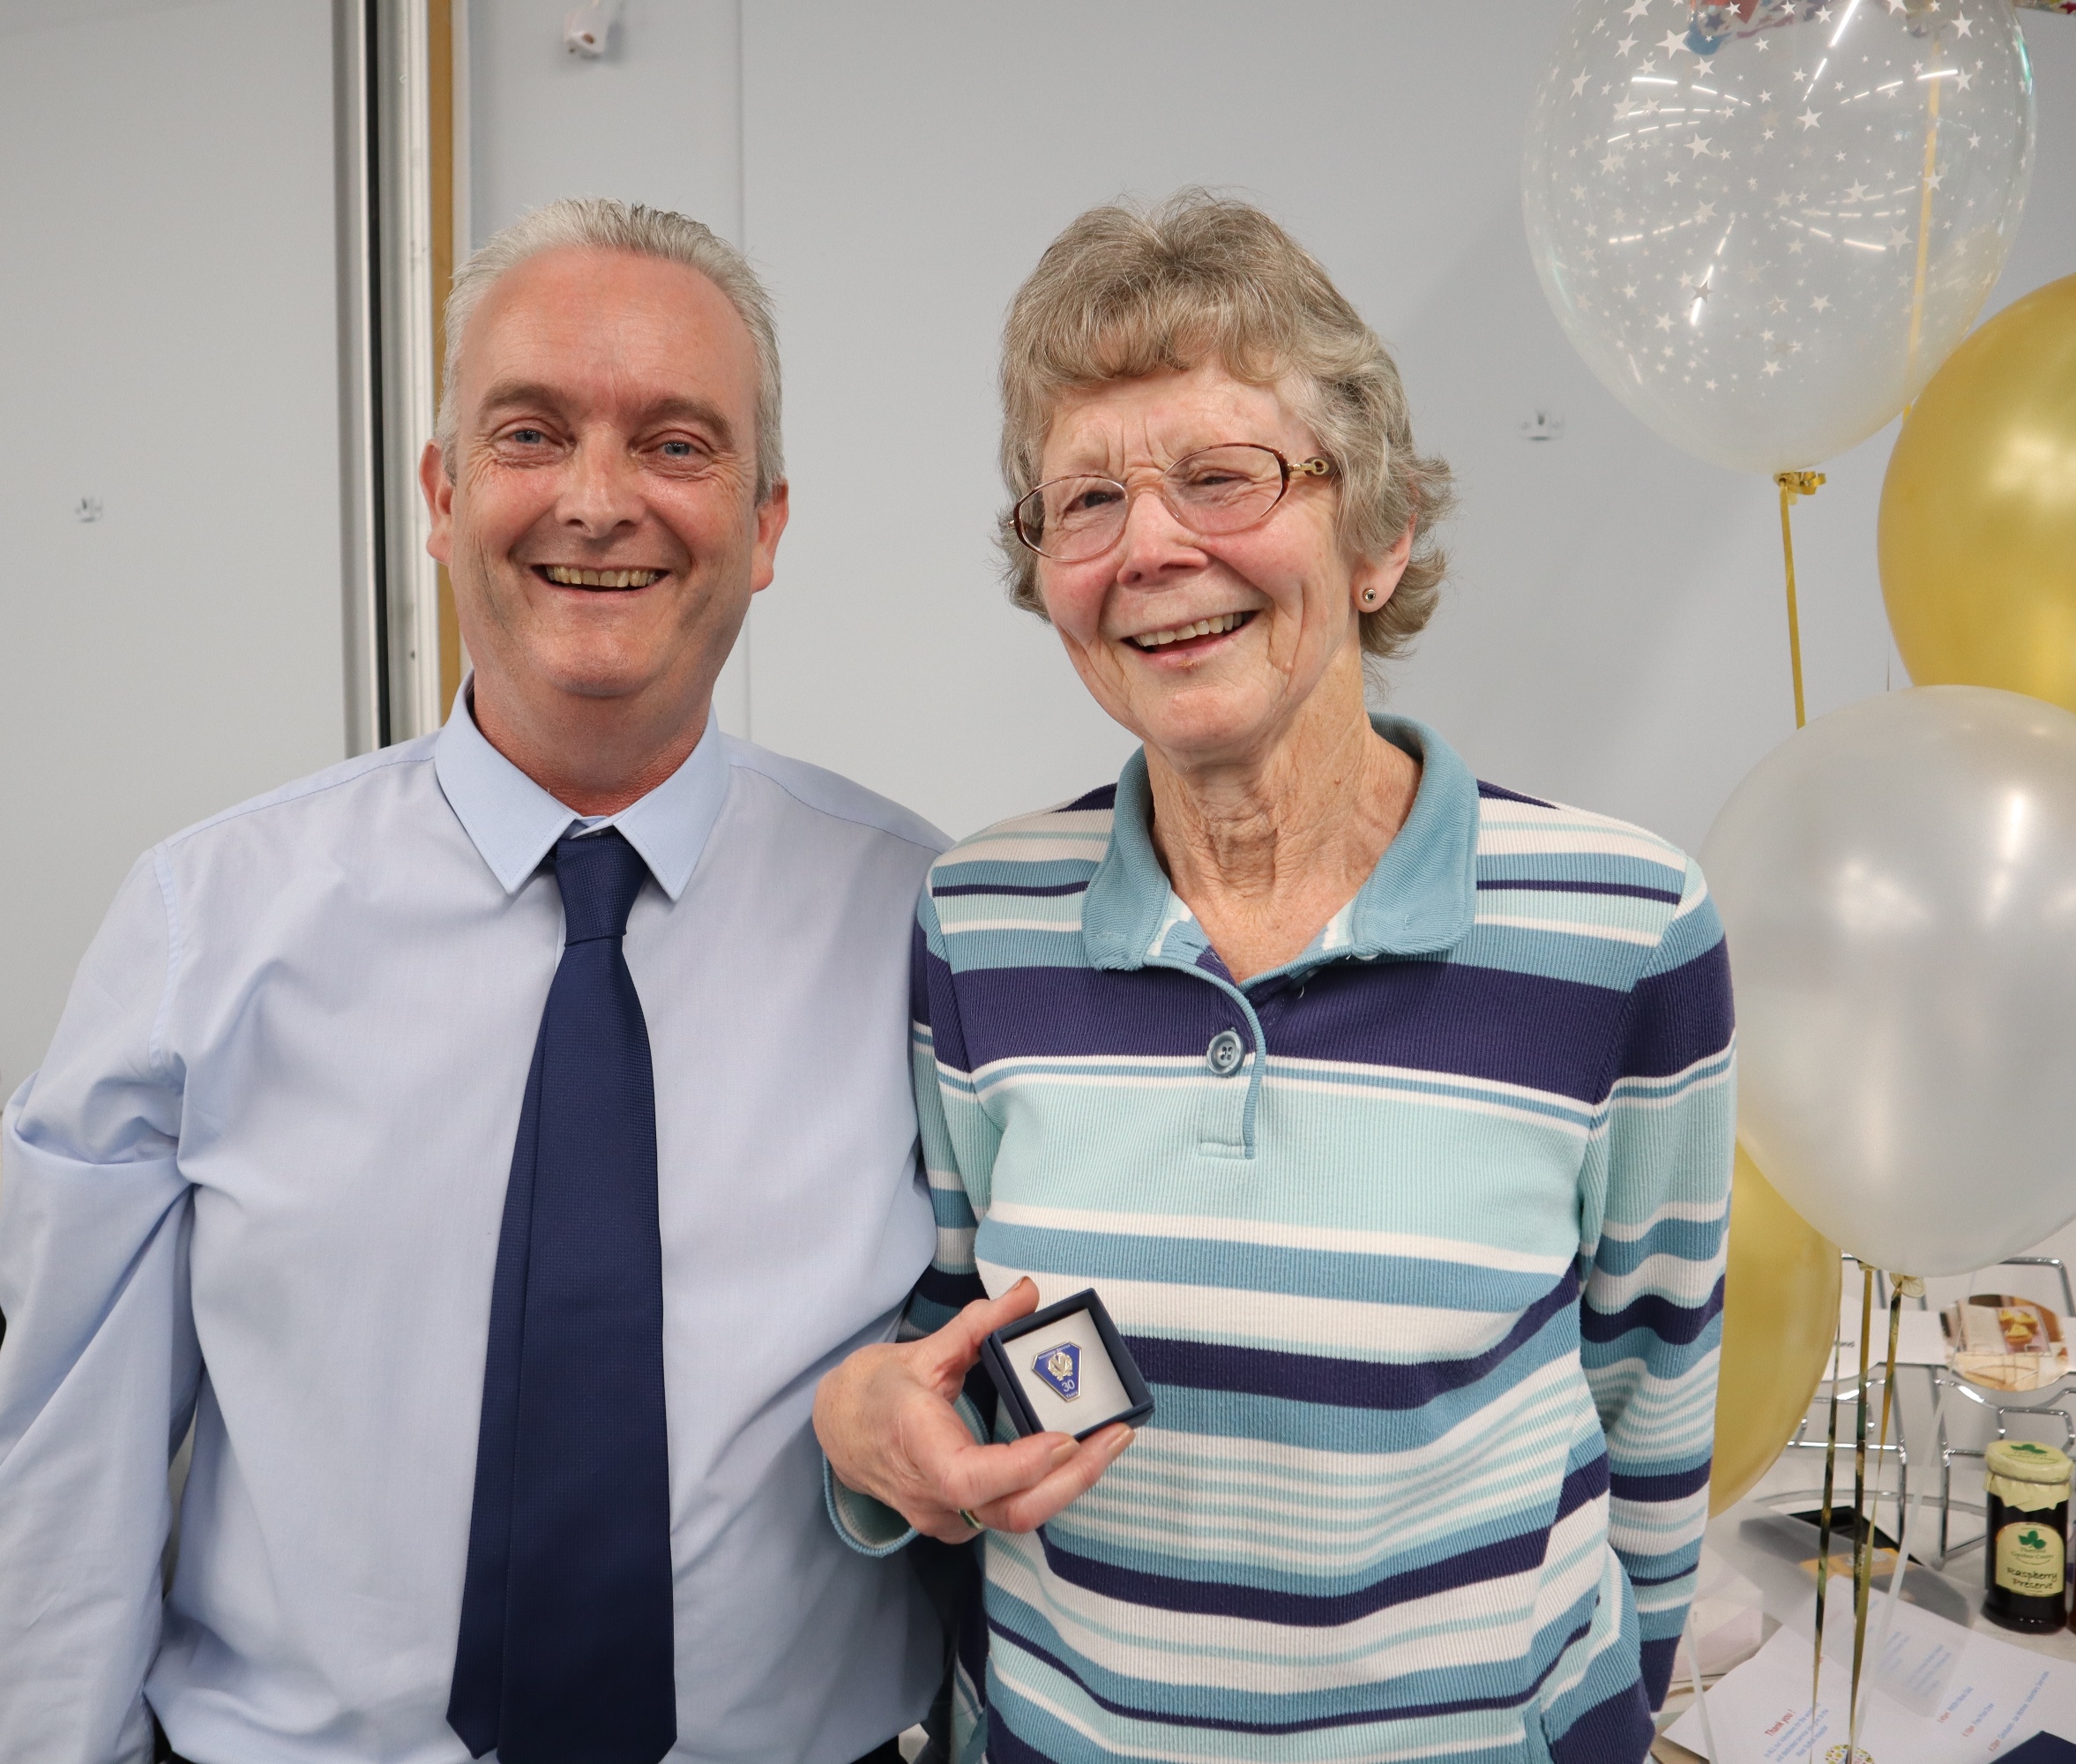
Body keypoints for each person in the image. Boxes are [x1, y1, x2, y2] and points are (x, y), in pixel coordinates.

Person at [0, 198, 947, 1764]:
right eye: (529, 434)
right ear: (441, 497)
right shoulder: (202, 930)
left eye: (677, 444)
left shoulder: (924, 923)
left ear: (767, 525)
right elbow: (64, 1474)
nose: (596, 500)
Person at [814, 192, 1733, 1764]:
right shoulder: (978, 916)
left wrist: (1610, 1725)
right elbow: (950, 1322)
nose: (1151, 545)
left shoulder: (1623, 923)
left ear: (1376, 537)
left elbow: (1650, 1401)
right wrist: (863, 1427)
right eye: (1083, 500)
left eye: (1222, 476)